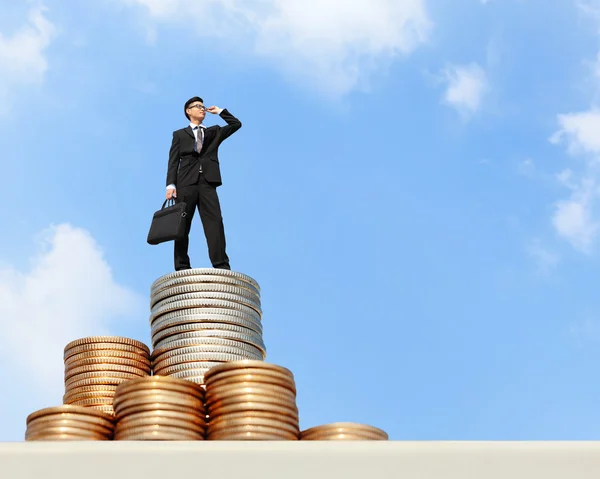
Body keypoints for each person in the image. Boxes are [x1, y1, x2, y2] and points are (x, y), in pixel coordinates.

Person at [165, 96, 242, 271]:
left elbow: (236, 125)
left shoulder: (213, 132)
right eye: (197, 106)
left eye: (203, 106)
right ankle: (182, 266)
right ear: (188, 111)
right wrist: (171, 185)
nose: (202, 109)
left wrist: (220, 111)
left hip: (208, 183)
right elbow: (173, 161)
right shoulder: (179, 134)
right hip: (185, 183)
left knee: (215, 223)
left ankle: (221, 265)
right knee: (182, 225)